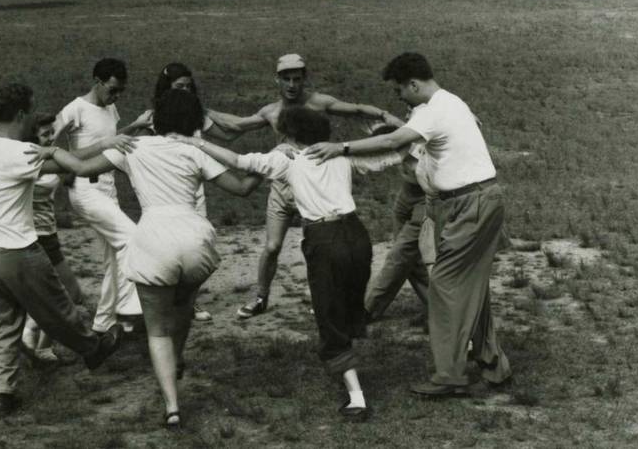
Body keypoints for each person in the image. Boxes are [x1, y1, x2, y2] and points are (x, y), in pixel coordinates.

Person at [42, 91, 263, 429]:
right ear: (191, 121)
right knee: (184, 308)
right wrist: (273, 162)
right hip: (195, 240)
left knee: (157, 329)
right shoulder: (194, 150)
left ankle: (172, 406)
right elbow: (243, 187)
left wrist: (53, 150)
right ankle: (176, 360)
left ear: (156, 118)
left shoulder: (134, 147)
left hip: (154, 241)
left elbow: (81, 167)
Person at [174, 106, 406, 421]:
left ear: (291, 135)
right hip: (358, 237)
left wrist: (195, 143)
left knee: (329, 318)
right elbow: (392, 150)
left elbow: (238, 161)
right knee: (347, 308)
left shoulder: (287, 160)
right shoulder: (341, 155)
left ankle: (357, 397)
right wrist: (396, 126)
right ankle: (349, 356)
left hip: (325, 240)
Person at [303, 52, 511, 398]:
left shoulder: (434, 110)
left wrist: (340, 148)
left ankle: (450, 376)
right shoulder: (449, 102)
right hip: (473, 201)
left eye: (400, 90)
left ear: (414, 84)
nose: (398, 97)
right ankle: (493, 365)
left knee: (444, 286)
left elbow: (390, 141)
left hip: (470, 204)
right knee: (472, 289)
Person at [0, 83, 122, 416]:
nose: (36, 117)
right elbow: (76, 165)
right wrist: (57, 152)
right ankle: (93, 348)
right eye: (32, 111)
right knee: (57, 308)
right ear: (21, 114)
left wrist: (48, 151)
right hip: (13, 253)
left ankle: (3, 392)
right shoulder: (22, 153)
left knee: (0, 324)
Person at [205, 54, 402, 319]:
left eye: (297, 79)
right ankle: (261, 298)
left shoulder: (318, 102)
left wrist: (388, 116)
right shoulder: (271, 111)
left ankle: (322, 297)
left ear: (304, 78)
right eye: (286, 79)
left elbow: (355, 109)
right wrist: (199, 111)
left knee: (317, 246)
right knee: (273, 246)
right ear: (277, 79)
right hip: (282, 188)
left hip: (312, 190)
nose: (292, 84)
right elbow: (235, 126)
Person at [132, 62, 245, 322]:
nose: (185, 90)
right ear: (166, 88)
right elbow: (136, 141)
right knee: (168, 245)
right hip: (163, 190)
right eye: (179, 86)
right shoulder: (154, 115)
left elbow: (228, 136)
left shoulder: (195, 113)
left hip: (193, 183)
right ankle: (160, 298)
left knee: (195, 244)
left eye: (188, 86)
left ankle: (187, 301)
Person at [53, 58, 151, 334]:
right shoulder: (75, 108)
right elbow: (54, 150)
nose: (116, 95)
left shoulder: (111, 107)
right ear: (97, 81)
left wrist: (134, 127)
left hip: (108, 190)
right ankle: (129, 311)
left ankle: (103, 323)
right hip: (85, 190)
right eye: (112, 89)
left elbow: (112, 138)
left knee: (113, 258)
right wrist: (103, 144)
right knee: (132, 238)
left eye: (120, 91)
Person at [21, 113, 86, 362]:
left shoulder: (49, 155)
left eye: (52, 132)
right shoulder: (28, 160)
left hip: (50, 235)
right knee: (69, 293)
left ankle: (43, 347)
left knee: (61, 295)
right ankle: (31, 330)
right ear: (32, 136)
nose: (51, 137)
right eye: (45, 133)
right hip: (33, 238)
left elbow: (73, 168)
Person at [363, 123, 432, 325]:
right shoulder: (405, 133)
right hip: (406, 195)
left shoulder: (423, 149)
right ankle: (436, 306)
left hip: (427, 198)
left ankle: (367, 309)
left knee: (400, 255)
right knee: (410, 261)